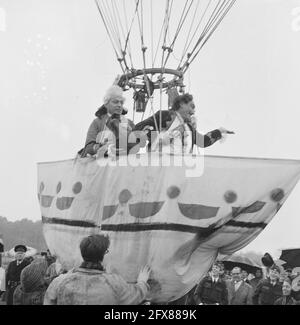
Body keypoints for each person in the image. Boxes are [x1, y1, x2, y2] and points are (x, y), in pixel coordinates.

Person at [44, 234, 151, 305]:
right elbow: (135, 295)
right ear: (104, 255)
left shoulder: (59, 282)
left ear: (83, 253)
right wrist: (142, 282)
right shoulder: (114, 283)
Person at [134, 93, 234, 154]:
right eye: (191, 106)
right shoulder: (165, 116)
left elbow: (203, 141)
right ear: (181, 104)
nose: (193, 111)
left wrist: (220, 132)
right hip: (159, 167)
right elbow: (139, 129)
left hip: (181, 170)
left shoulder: (188, 128)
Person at [79, 85, 138, 158]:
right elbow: (88, 148)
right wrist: (106, 149)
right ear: (106, 104)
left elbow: (137, 143)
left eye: (121, 102)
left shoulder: (129, 123)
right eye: (115, 102)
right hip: (103, 166)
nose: (119, 105)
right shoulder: (97, 122)